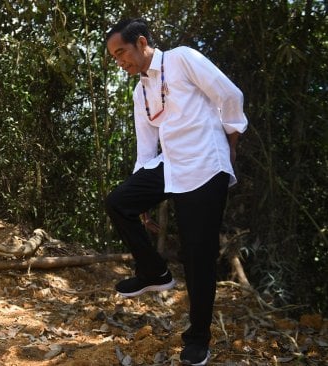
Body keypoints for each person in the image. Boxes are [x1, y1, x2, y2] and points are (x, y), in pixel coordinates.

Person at [104, 18, 247, 365]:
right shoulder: (140, 91)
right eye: (114, 57)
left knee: (198, 256)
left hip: (205, 164)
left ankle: (198, 339)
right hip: (171, 166)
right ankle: (154, 271)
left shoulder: (182, 59)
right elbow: (145, 149)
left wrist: (229, 145)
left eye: (121, 52)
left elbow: (230, 95)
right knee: (118, 202)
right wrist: (143, 199)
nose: (119, 61)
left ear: (140, 43)